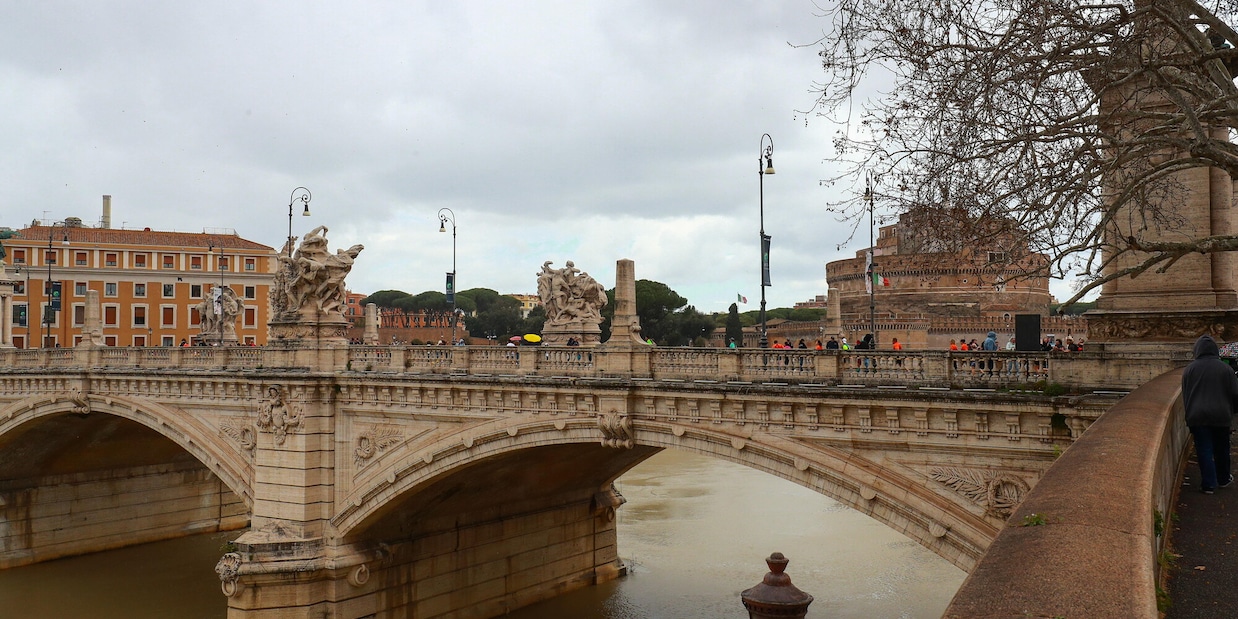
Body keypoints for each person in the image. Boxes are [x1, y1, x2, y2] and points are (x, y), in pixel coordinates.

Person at [1181, 335, 1238, 494]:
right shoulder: (1226, 369)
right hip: (1221, 415)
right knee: (1222, 448)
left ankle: (1209, 484)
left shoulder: (1189, 370)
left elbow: (1186, 395)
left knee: (1204, 449)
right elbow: (1235, 393)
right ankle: (1223, 478)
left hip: (1198, 416)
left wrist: (1189, 416)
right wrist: (1232, 411)